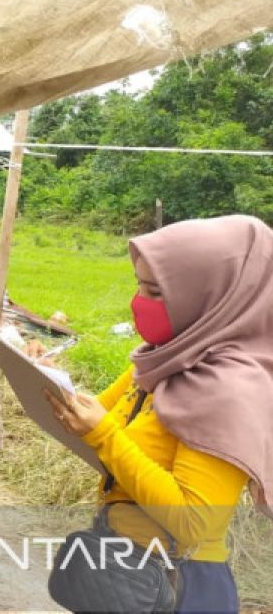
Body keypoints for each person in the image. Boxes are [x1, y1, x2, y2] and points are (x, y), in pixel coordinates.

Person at [45, 215, 273, 614]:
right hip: (123, 571)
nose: (139, 303)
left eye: (155, 292)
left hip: (176, 586)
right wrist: (47, 380)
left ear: (211, 297)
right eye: (139, 286)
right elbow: (96, 417)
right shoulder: (159, 362)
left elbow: (193, 522)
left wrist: (103, 435)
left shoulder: (229, 392)